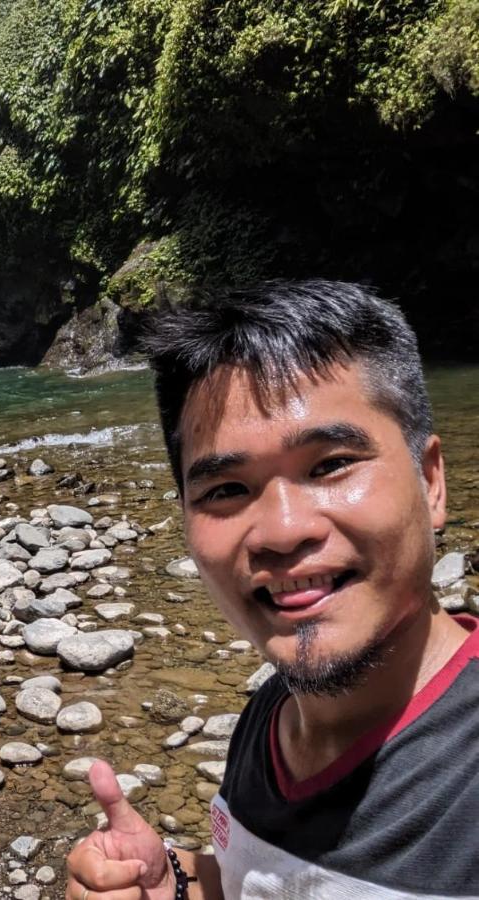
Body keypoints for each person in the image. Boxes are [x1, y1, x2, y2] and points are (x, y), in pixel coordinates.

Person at [66, 281, 479, 899]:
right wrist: (178, 883)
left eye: (331, 464)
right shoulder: (275, 714)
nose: (283, 532)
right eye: (226, 490)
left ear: (430, 481)